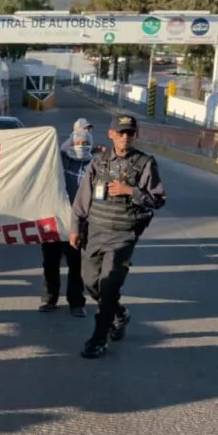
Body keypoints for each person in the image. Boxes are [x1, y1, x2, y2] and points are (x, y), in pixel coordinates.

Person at [71, 115, 166, 359]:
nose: (126, 137)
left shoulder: (145, 163)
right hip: (95, 232)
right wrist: (75, 227)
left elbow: (158, 199)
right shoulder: (98, 161)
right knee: (91, 283)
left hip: (123, 235)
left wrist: (130, 191)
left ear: (136, 135)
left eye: (130, 133)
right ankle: (118, 313)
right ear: (111, 134)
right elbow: (82, 199)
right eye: (121, 132)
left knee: (109, 285)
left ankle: (99, 338)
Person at [39, 129, 92, 316]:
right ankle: (49, 299)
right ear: (70, 144)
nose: (81, 147)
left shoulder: (94, 164)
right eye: (78, 143)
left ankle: (76, 302)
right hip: (54, 220)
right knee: (50, 262)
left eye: (85, 143)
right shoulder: (60, 160)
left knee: (76, 265)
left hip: (79, 223)